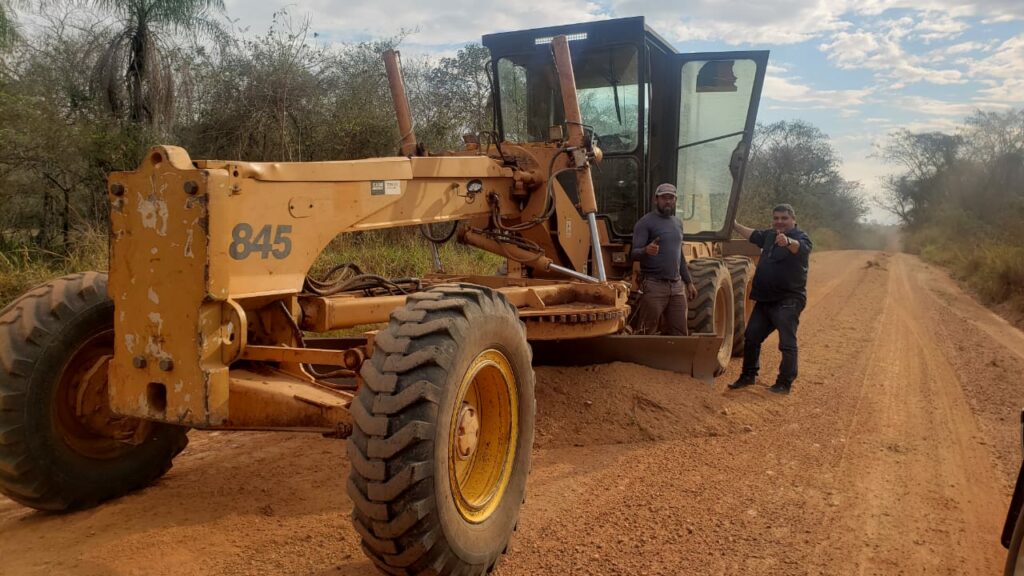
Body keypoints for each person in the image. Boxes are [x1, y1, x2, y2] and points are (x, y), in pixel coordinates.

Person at [728, 204, 812, 394]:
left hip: (788, 300)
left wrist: (788, 241)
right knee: (751, 337)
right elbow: (751, 234)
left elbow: (801, 248)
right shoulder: (768, 235)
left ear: (793, 219)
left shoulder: (800, 237)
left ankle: (784, 382)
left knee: (786, 343)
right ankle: (748, 376)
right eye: (776, 218)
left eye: (784, 218)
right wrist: (732, 224)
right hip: (765, 300)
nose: (779, 222)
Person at [629, 183, 699, 335]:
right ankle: (642, 359)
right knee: (646, 332)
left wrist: (688, 282)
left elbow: (679, 256)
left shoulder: (678, 223)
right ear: (656, 200)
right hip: (654, 285)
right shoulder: (645, 222)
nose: (668, 201)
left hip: (676, 287)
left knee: (680, 333)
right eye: (664, 198)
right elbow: (633, 254)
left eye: (671, 198)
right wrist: (646, 250)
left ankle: (676, 359)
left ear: (675, 200)